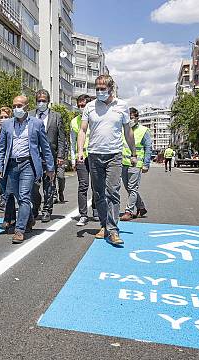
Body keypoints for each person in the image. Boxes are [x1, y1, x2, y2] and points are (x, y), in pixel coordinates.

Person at [77, 74, 136, 246]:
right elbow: (82, 130)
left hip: (114, 155)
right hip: (94, 155)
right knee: (99, 193)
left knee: (113, 192)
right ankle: (104, 225)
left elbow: (128, 131)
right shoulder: (89, 106)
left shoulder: (122, 106)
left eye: (103, 89)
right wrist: (80, 150)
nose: (99, 92)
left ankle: (113, 230)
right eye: (97, 89)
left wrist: (133, 152)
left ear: (111, 88)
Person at [0, 95, 55, 243]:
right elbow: (0, 148)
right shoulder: (7, 124)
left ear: (27, 106)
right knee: (17, 196)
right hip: (11, 166)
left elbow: (45, 147)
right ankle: (29, 219)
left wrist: (50, 167)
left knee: (24, 196)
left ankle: (20, 230)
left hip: (28, 164)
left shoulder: (37, 123)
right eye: (14, 106)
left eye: (19, 106)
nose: (16, 109)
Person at [29, 89, 66, 223]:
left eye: (43, 101)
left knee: (49, 185)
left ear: (48, 102)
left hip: (50, 155)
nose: (41, 103)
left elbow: (61, 138)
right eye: (39, 100)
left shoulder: (56, 116)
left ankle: (47, 210)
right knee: (32, 185)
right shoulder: (29, 115)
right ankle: (36, 205)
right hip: (33, 156)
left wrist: (61, 156)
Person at [70, 94, 98, 226]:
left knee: (96, 185)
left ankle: (96, 211)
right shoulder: (74, 121)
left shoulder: (96, 118)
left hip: (94, 156)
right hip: (81, 157)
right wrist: (73, 159)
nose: (81, 108)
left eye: (83, 105)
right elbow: (72, 141)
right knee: (83, 186)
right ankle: (83, 215)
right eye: (79, 105)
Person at [120, 108, 152, 221]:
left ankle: (128, 211)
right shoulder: (123, 129)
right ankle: (141, 207)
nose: (130, 120)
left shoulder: (144, 130)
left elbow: (148, 148)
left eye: (132, 118)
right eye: (128, 118)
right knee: (128, 188)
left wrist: (146, 164)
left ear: (137, 118)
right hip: (123, 163)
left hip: (136, 163)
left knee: (132, 188)